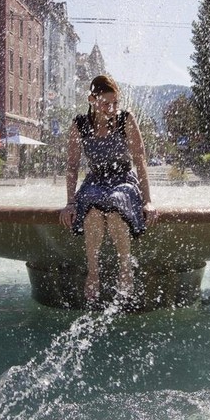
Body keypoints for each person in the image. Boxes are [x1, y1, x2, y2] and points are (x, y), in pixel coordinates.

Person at [59, 75, 157, 303]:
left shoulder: (126, 120)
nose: (112, 108)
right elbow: (72, 166)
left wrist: (148, 200)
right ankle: (93, 273)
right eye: (106, 103)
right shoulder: (80, 125)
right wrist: (70, 202)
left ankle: (125, 270)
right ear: (92, 100)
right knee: (92, 212)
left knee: (115, 208)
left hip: (123, 180)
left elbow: (140, 159)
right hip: (95, 180)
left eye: (115, 102)